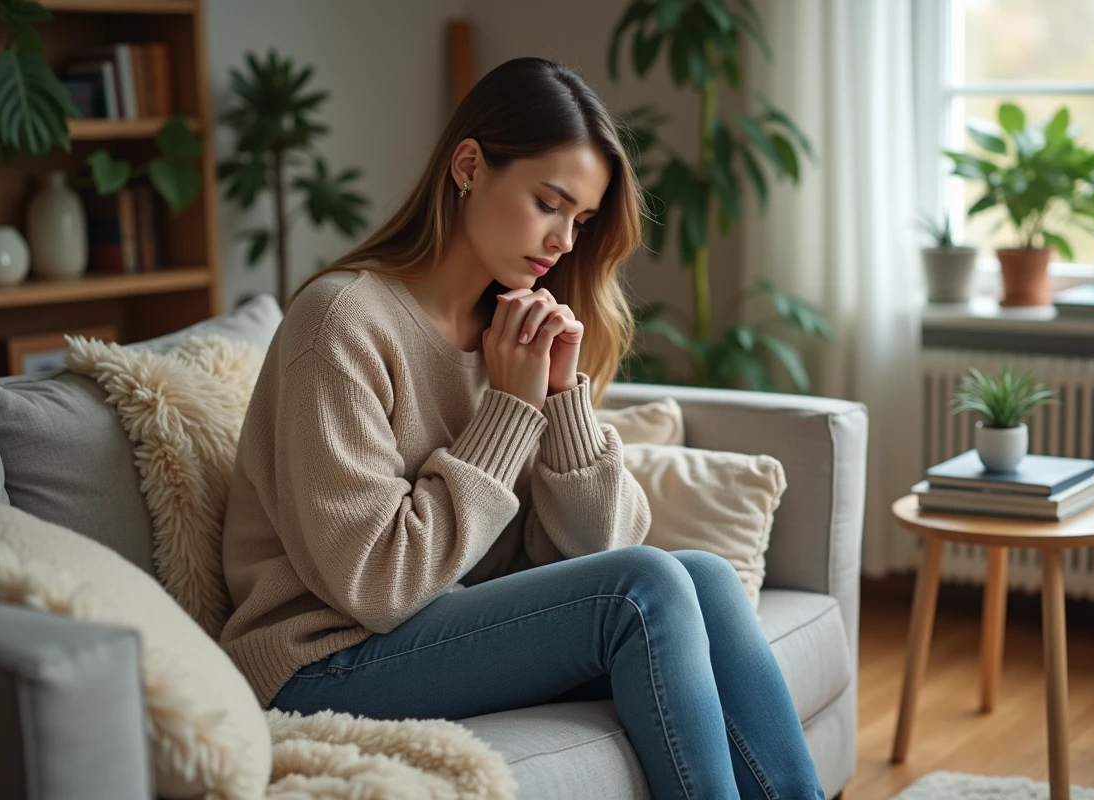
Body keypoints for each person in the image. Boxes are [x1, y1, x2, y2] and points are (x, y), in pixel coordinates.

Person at [218, 55, 825, 800]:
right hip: (321, 662)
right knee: (649, 585)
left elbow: (599, 547)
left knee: (699, 575)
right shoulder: (342, 322)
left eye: (582, 220)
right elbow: (377, 586)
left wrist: (562, 396)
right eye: (550, 203)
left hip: (440, 630)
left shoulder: (514, 330)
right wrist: (508, 412)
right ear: (469, 165)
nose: (566, 240)